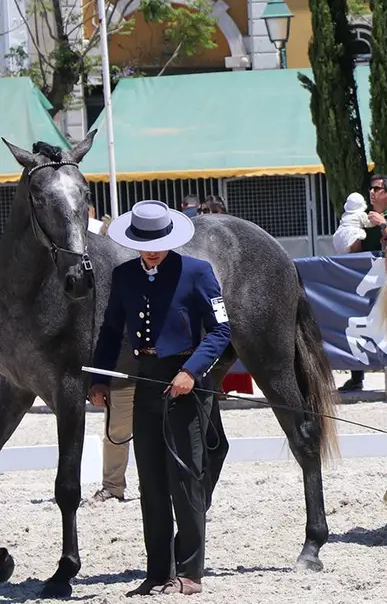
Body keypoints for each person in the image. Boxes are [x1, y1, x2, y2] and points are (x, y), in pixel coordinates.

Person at [88, 200, 231, 596]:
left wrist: (192, 371)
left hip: (186, 381)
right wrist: (99, 378)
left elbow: (220, 330)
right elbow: (111, 330)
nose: (151, 250)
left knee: (186, 477)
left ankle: (190, 572)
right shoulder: (124, 275)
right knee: (150, 480)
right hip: (146, 380)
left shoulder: (197, 272)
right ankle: (157, 571)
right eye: (144, 243)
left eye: (158, 242)